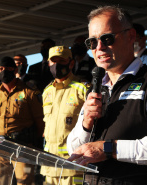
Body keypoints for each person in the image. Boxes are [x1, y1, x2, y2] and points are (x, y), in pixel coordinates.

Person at [67, 6, 147, 185]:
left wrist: (109, 148)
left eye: (107, 38)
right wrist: (86, 123)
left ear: (131, 36)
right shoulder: (95, 88)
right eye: (92, 42)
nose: (99, 48)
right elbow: (74, 149)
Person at [0, 56, 45, 185]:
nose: (4, 71)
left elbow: (40, 122)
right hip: (0, 147)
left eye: (7, 68)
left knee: (24, 181)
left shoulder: (29, 92)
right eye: (0, 69)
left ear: (14, 70)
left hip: (22, 146)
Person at [41, 46, 89, 185]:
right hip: (49, 165)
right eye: (53, 61)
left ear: (71, 63)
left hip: (73, 165)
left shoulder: (82, 89)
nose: (56, 65)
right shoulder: (47, 91)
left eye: (61, 61)